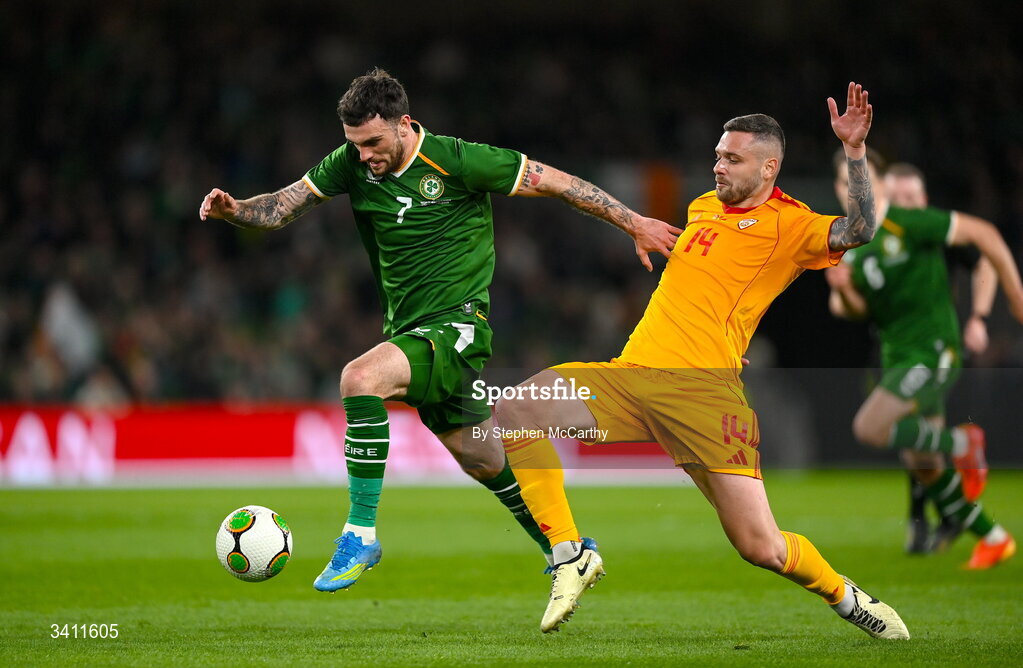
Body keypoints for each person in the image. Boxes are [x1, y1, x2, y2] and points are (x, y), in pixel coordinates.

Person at [198, 68, 681, 631]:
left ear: (405, 124)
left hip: (458, 327)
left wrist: (633, 223)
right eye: (355, 145)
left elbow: (557, 182)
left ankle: (359, 535)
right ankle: (568, 553)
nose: (364, 156)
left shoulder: (458, 160)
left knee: (360, 379)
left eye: (374, 143)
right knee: (482, 458)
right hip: (409, 330)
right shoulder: (350, 162)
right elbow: (282, 207)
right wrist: (236, 210)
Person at [497, 83, 912, 639]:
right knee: (518, 407)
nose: (718, 165)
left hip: (704, 396)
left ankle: (846, 597)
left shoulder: (792, 225)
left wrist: (855, 152)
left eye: (732, 158)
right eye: (717, 154)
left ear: (768, 169)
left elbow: (860, 229)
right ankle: (569, 553)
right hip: (631, 378)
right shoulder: (700, 207)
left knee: (760, 547)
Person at [825, 156, 1022, 568]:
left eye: (857, 177)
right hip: (898, 355)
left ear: (875, 182)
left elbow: (984, 235)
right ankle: (994, 537)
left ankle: (964, 443)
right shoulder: (850, 240)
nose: (850, 187)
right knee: (924, 464)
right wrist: (842, 290)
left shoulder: (907, 222)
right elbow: (853, 310)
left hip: (933, 350)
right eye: (843, 182)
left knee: (869, 427)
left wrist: (1014, 300)